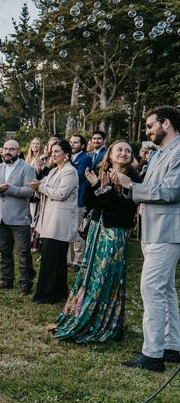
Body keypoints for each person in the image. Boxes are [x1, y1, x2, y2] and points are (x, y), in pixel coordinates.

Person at [112, 107, 180, 372]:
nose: (147, 130)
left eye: (151, 125)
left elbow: (171, 191)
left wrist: (132, 186)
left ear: (167, 123)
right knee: (166, 290)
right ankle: (172, 346)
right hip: (153, 230)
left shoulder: (177, 152)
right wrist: (129, 190)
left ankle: (152, 355)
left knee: (151, 288)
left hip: (167, 231)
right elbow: (149, 191)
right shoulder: (160, 153)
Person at [52, 140, 140, 342]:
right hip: (96, 231)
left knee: (105, 274)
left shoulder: (133, 178)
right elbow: (90, 202)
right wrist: (95, 186)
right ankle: (81, 314)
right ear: (110, 154)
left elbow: (123, 209)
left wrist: (104, 189)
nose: (123, 153)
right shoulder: (101, 172)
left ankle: (104, 321)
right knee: (90, 272)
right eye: (119, 149)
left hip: (114, 232)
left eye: (128, 150)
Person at [28, 139, 78, 304]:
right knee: (52, 257)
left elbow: (61, 193)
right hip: (49, 218)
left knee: (54, 258)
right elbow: (47, 187)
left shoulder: (70, 172)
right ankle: (58, 291)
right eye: (52, 151)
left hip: (60, 220)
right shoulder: (54, 171)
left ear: (67, 154)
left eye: (57, 151)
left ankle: (48, 294)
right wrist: (38, 186)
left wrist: (40, 187)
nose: (53, 154)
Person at [0, 140, 37, 295]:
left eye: (12, 149)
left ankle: (26, 283)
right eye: (5, 149)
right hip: (0, 217)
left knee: (23, 252)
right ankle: (6, 279)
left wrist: (10, 189)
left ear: (18, 151)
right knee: (4, 251)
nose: (8, 151)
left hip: (19, 218)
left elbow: (29, 191)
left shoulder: (27, 169)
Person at [68, 134, 93, 272]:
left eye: (75, 142)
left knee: (78, 231)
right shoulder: (68, 158)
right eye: (70, 142)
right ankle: (69, 259)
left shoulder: (86, 159)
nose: (72, 144)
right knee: (68, 231)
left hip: (79, 199)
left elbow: (77, 176)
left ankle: (78, 261)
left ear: (82, 145)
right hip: (67, 200)